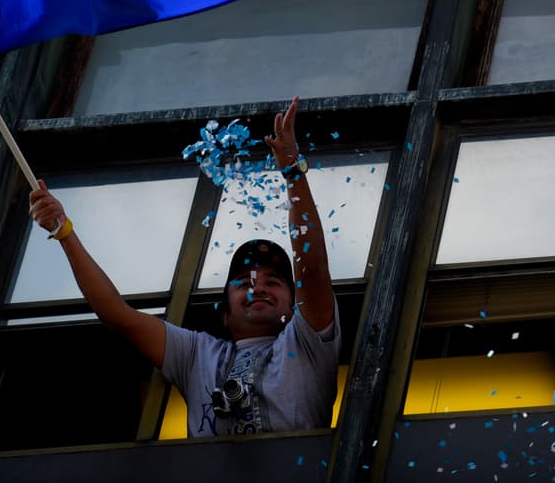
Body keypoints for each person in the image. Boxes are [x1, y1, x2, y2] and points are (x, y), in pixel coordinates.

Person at [28, 96, 340, 436]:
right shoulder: (197, 355)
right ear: (224, 314)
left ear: (296, 308)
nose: (258, 287)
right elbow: (116, 314)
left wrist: (293, 172)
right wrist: (64, 231)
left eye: (274, 281)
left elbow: (312, 267)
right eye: (242, 282)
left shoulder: (306, 342)